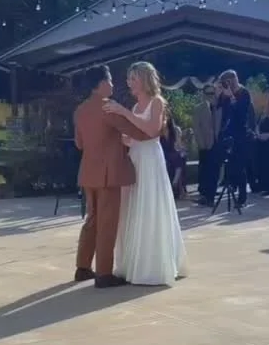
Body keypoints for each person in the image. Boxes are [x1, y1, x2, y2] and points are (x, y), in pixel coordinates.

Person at [103, 61, 187, 286]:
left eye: (133, 78)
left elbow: (151, 130)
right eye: (129, 78)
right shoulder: (135, 107)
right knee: (134, 207)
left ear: (144, 80)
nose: (129, 82)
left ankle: (153, 266)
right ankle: (134, 263)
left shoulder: (157, 102)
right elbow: (134, 137)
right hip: (136, 157)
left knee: (150, 205)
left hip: (150, 159)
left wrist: (122, 112)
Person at [73, 66, 150, 288]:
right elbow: (138, 132)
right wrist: (158, 128)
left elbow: (79, 143)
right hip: (109, 173)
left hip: (88, 172)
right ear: (101, 84)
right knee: (107, 222)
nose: (113, 84)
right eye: (110, 80)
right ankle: (104, 273)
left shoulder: (80, 110)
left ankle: (82, 267)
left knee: (92, 219)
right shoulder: (108, 108)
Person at [216, 70, 255, 207]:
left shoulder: (244, 93)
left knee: (240, 166)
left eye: (227, 82)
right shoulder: (225, 94)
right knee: (229, 165)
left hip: (241, 133)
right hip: (227, 132)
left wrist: (231, 97)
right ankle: (230, 187)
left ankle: (242, 198)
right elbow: (219, 108)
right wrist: (219, 94)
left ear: (233, 80)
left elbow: (241, 114)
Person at [192, 82, 222, 205]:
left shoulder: (219, 107)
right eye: (208, 93)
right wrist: (201, 144)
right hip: (204, 144)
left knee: (214, 170)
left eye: (212, 93)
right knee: (204, 170)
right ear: (203, 94)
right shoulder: (199, 108)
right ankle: (204, 194)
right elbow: (196, 127)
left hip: (217, 144)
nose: (211, 95)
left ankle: (210, 196)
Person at [160, 113, 188, 200]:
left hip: (172, 153)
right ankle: (175, 185)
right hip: (162, 154)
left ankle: (174, 183)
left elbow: (178, 145)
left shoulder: (175, 130)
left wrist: (182, 151)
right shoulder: (158, 131)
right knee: (177, 159)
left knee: (180, 157)